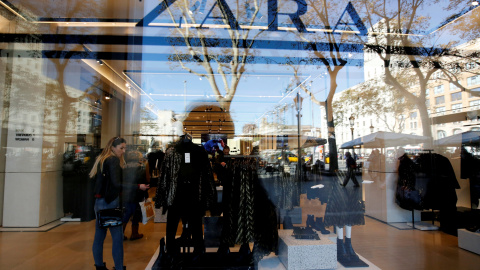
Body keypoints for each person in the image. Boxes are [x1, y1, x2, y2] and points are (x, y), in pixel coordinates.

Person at [89, 137, 127, 270]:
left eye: (124, 148)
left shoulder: (102, 159)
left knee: (99, 237)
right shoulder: (113, 160)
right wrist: (136, 186)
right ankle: (119, 267)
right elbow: (116, 184)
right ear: (112, 148)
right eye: (121, 148)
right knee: (117, 237)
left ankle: (99, 266)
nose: (123, 151)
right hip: (110, 202)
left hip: (99, 202)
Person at [122, 151, 150, 241]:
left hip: (126, 193)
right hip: (138, 193)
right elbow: (147, 180)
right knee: (136, 214)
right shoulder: (142, 167)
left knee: (126, 214)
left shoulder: (123, 167)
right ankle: (134, 233)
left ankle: (120, 234)